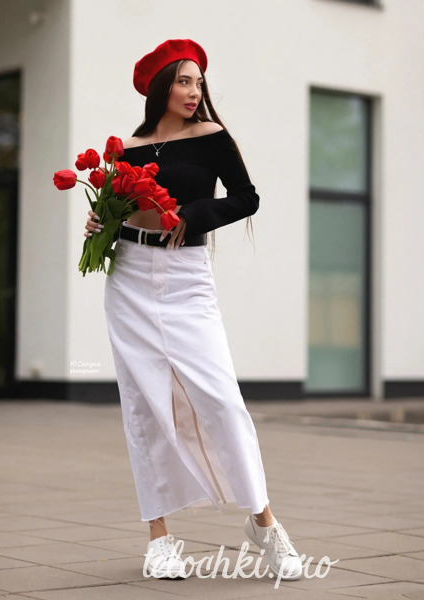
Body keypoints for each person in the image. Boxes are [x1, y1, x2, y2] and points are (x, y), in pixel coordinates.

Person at [84, 39, 302, 581]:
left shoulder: (211, 137)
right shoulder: (128, 148)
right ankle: (159, 540)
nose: (194, 91)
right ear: (161, 86)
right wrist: (98, 223)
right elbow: (117, 207)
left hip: (186, 277)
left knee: (223, 400)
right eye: (184, 81)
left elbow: (247, 197)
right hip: (129, 275)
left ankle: (265, 523)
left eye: (198, 82)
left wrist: (196, 213)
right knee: (144, 406)